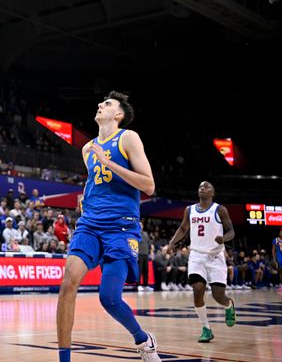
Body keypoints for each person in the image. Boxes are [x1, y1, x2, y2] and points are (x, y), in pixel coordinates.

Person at [56, 92, 160, 362]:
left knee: (109, 298)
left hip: (120, 228)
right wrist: (85, 196)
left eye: (108, 104)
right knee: (68, 283)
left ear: (119, 115)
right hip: (90, 225)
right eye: (101, 103)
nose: (101, 105)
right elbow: (96, 181)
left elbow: (148, 185)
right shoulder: (87, 148)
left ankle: (143, 339)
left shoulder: (128, 137)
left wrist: (108, 162)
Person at [168, 181, 236, 342]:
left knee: (218, 295)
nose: (202, 189)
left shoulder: (220, 209)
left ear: (212, 193)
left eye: (206, 187)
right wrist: (172, 242)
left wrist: (223, 238)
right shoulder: (189, 210)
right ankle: (206, 328)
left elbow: (231, 231)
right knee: (198, 290)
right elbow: (183, 229)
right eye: (200, 187)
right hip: (196, 255)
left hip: (215, 256)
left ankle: (228, 305)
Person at [137, 221, 154, 291]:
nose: (140, 226)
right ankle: (138, 285)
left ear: (143, 226)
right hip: (139, 255)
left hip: (146, 254)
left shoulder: (145, 234)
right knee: (139, 270)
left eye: (141, 225)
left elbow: (150, 244)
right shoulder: (136, 234)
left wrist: (152, 253)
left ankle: (145, 285)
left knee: (146, 270)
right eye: (139, 225)